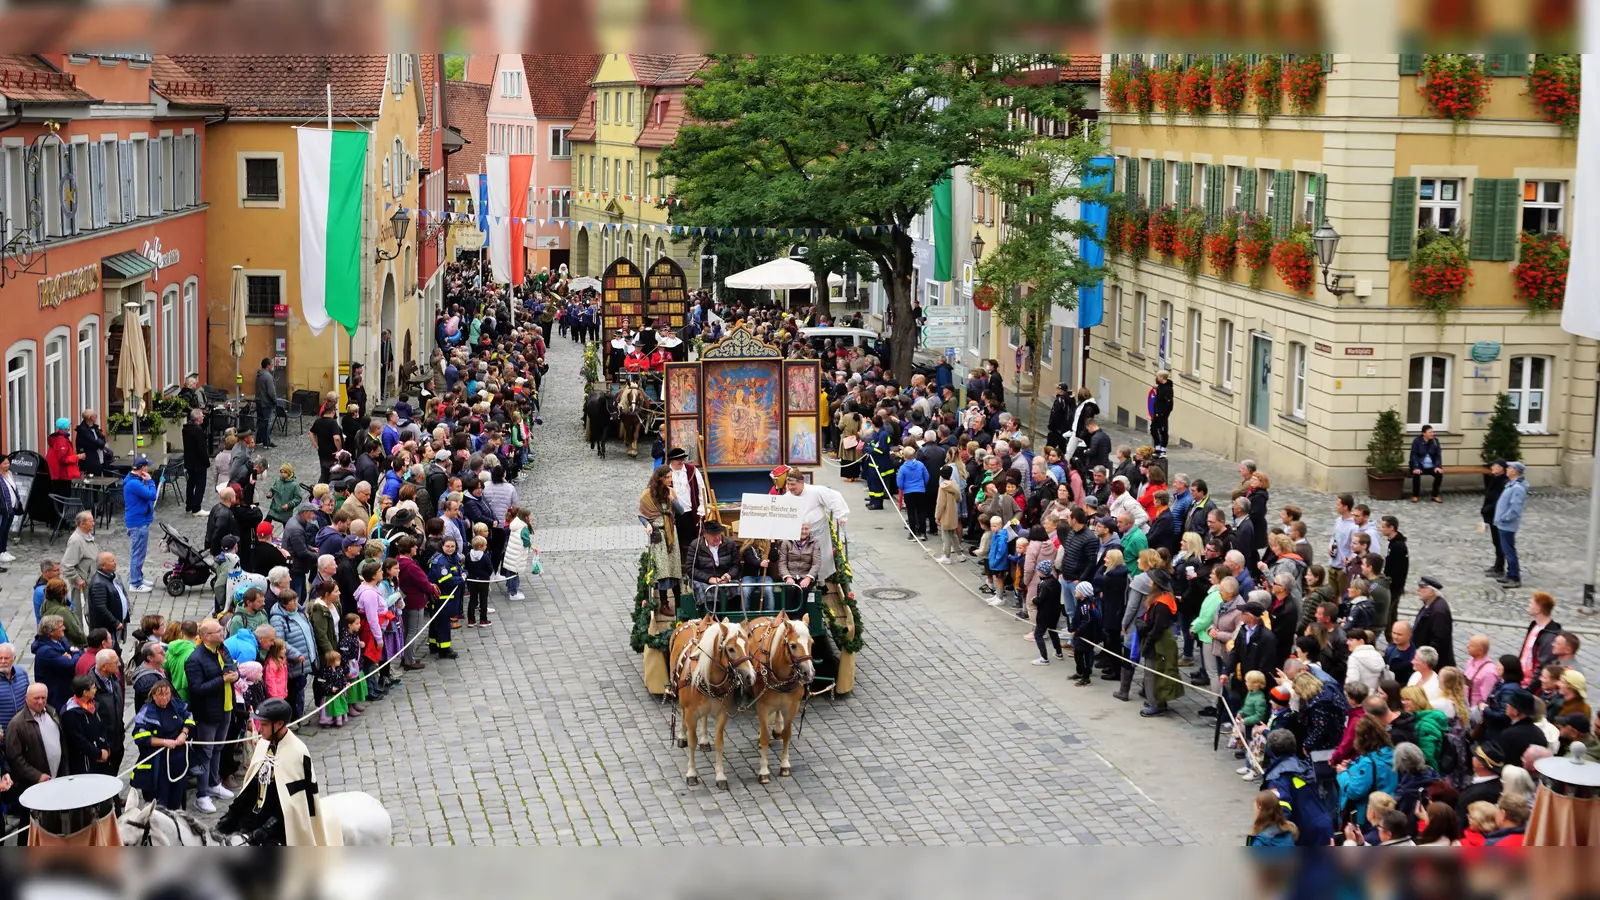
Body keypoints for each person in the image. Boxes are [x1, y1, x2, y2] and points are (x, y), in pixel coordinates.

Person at [217, 697, 342, 845]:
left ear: (279, 724)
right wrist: (231, 814)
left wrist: (266, 829)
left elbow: (293, 803)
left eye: (264, 724)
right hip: (256, 814)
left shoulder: (297, 752)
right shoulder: (263, 744)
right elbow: (251, 787)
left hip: (281, 822)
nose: (260, 728)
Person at [184, 618, 238, 812]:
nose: (222, 632)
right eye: (218, 631)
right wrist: (222, 679)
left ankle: (214, 784)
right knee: (205, 753)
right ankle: (202, 794)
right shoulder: (195, 659)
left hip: (226, 707)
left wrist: (235, 675)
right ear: (207, 636)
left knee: (218, 749)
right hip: (208, 713)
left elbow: (232, 668)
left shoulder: (222, 649)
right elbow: (197, 689)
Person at [1260, 728, 1335, 846]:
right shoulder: (1302, 766)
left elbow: (1281, 809)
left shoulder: (1278, 777)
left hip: (1306, 832)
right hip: (1324, 824)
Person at [129, 678, 193, 810]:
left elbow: (189, 717)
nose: (165, 698)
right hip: (158, 762)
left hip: (178, 759)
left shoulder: (176, 705)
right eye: (161, 694)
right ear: (153, 695)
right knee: (161, 798)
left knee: (177, 793)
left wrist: (184, 733)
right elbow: (139, 737)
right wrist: (164, 742)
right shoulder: (147, 711)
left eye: (167, 694)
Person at [4, 683, 62, 813]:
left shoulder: (52, 713)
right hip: (33, 786)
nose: (40, 702)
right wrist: (37, 776)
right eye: (36, 698)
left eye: (43, 698)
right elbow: (15, 757)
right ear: (26, 698)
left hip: (57, 779)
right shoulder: (16, 724)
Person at [58, 674, 109, 776]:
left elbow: (102, 727)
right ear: (85, 692)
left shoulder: (94, 705)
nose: (96, 690)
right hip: (84, 763)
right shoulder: (71, 714)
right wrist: (97, 754)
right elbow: (79, 740)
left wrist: (105, 748)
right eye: (93, 688)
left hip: (100, 756)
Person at [686, 521, 740, 615]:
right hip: (703, 578)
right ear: (705, 535)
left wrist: (729, 575)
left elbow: (736, 565)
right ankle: (710, 620)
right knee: (707, 593)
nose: (717, 537)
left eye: (718, 534)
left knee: (737, 590)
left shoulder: (729, 543)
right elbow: (690, 569)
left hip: (724, 577)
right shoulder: (695, 545)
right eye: (713, 535)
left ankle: (732, 620)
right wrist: (709, 579)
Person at [87, 551, 132, 649]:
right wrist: (114, 622)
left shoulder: (110, 577)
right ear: (103, 566)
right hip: (108, 628)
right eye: (112, 561)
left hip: (116, 625)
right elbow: (100, 607)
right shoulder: (98, 583)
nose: (115, 563)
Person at [1493, 461, 1528, 588]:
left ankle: (1514, 577)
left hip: (1507, 524)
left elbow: (1515, 508)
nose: (1507, 469)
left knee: (1509, 551)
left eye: (1509, 468)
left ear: (1515, 471)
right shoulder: (1512, 485)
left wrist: (1504, 519)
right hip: (1503, 524)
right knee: (1507, 550)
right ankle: (1509, 574)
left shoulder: (1517, 488)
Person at [1411, 576, 1456, 670]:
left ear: (1432, 592)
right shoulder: (1429, 604)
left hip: (1434, 665)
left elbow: (1438, 641)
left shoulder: (1439, 612)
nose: (1418, 590)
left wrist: (1425, 659)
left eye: (1422, 587)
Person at [1481, 460, 1508, 578]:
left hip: (1497, 515)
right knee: (1496, 542)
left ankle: (1500, 567)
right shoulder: (1494, 478)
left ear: (1502, 468)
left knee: (1499, 542)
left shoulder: (1503, 481)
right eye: (1492, 465)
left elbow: (1498, 500)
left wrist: (1487, 509)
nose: (1492, 467)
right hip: (1491, 515)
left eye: (1495, 466)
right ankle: (1497, 565)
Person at [1408, 425, 1444, 502]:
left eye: (1432, 432)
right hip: (1419, 465)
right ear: (1424, 433)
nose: (1432, 434)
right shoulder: (1417, 441)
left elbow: (1438, 455)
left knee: (1439, 474)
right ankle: (1415, 495)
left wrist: (1437, 466)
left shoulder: (1435, 441)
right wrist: (1416, 467)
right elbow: (1413, 455)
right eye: (1430, 432)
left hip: (1432, 466)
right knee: (1416, 474)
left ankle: (1435, 495)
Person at [255, 357, 280, 447]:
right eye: (271, 364)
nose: (272, 366)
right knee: (266, 423)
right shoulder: (268, 376)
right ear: (268, 366)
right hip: (266, 403)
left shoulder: (258, 375)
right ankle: (266, 442)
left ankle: (258, 440)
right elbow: (271, 391)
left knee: (260, 422)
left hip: (259, 401)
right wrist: (275, 400)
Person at [1149, 371, 1173, 456]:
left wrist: (1163, 413)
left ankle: (1162, 449)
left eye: (1157, 376)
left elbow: (1169, 403)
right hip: (1157, 412)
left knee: (1163, 430)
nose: (1156, 378)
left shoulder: (1167, 389)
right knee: (1153, 429)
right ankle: (1158, 447)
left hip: (1162, 413)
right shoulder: (1160, 387)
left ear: (1162, 377)